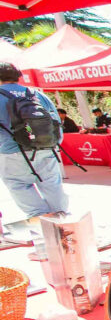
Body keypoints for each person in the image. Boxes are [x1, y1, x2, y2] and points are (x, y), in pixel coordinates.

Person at [0, 62, 69, 217]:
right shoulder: (36, 94)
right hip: (46, 148)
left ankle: (41, 218)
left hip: (11, 152)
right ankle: (63, 221)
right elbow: (56, 122)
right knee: (52, 185)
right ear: (19, 76)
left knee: (18, 184)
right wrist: (54, 145)